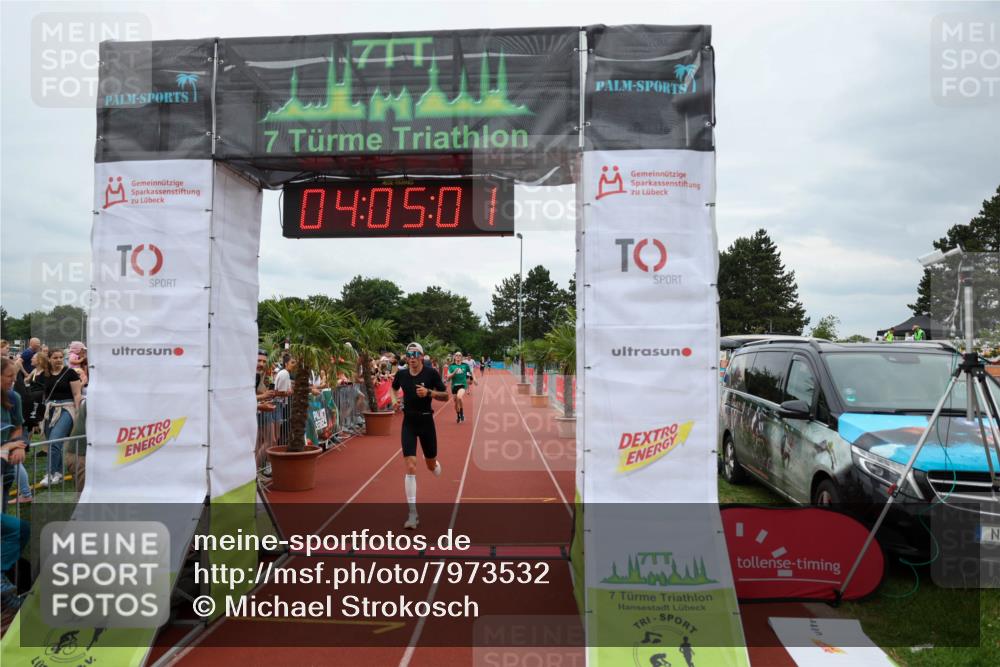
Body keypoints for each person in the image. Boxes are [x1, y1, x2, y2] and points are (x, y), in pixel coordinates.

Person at [391, 342, 448, 529]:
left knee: (431, 465)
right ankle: (412, 514)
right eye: (409, 355)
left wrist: (429, 393)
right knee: (410, 465)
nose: (412, 358)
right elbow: (393, 388)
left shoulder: (431, 374)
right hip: (409, 422)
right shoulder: (402, 374)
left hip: (426, 422)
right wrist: (394, 401)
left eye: (416, 354)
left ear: (422, 356)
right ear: (406, 357)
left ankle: (433, 462)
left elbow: (446, 396)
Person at [38, 348, 83, 488]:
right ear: (49, 359)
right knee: (52, 442)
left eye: (60, 357)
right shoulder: (44, 374)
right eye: (55, 357)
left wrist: (77, 413)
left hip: (66, 408)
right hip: (49, 409)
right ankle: (57, 473)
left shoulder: (70, 373)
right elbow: (41, 395)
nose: (58, 360)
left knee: (54, 440)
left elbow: (77, 394)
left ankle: (50, 474)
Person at [446, 351, 475, 423]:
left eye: (459, 355)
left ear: (461, 357)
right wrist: (454, 372)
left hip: (462, 385)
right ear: (454, 357)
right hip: (454, 386)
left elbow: (470, 373)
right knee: (456, 403)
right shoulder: (451, 366)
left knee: (459, 397)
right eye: (457, 355)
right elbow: (448, 378)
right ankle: (458, 415)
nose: (458, 356)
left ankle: (461, 413)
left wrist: (471, 380)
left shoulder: (465, 365)